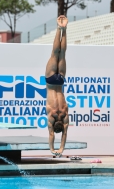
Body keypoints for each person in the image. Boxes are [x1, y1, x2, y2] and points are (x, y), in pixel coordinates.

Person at [45, 15, 69, 156]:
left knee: (61, 53)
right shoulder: (52, 116)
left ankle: (63, 29)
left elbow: (64, 133)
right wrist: (54, 149)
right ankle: (60, 28)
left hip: (60, 80)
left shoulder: (64, 114)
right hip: (51, 80)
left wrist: (60, 148)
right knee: (56, 54)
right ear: (53, 127)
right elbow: (52, 135)